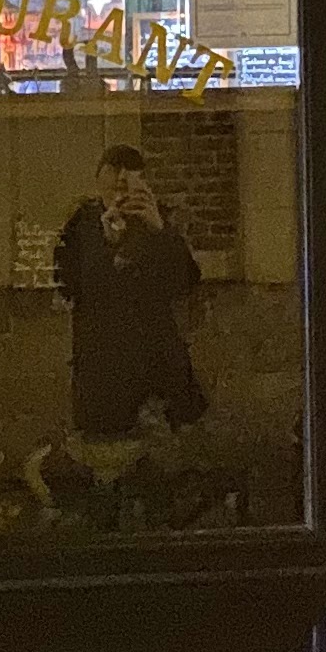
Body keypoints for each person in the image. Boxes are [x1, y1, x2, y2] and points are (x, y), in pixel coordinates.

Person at [55, 146, 210, 443]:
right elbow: (70, 285)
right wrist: (108, 243)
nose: (120, 187)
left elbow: (186, 282)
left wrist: (160, 231)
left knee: (168, 452)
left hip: (157, 361)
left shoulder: (156, 219)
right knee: (109, 452)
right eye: (114, 179)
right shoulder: (81, 224)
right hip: (103, 366)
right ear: (99, 180)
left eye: (128, 182)